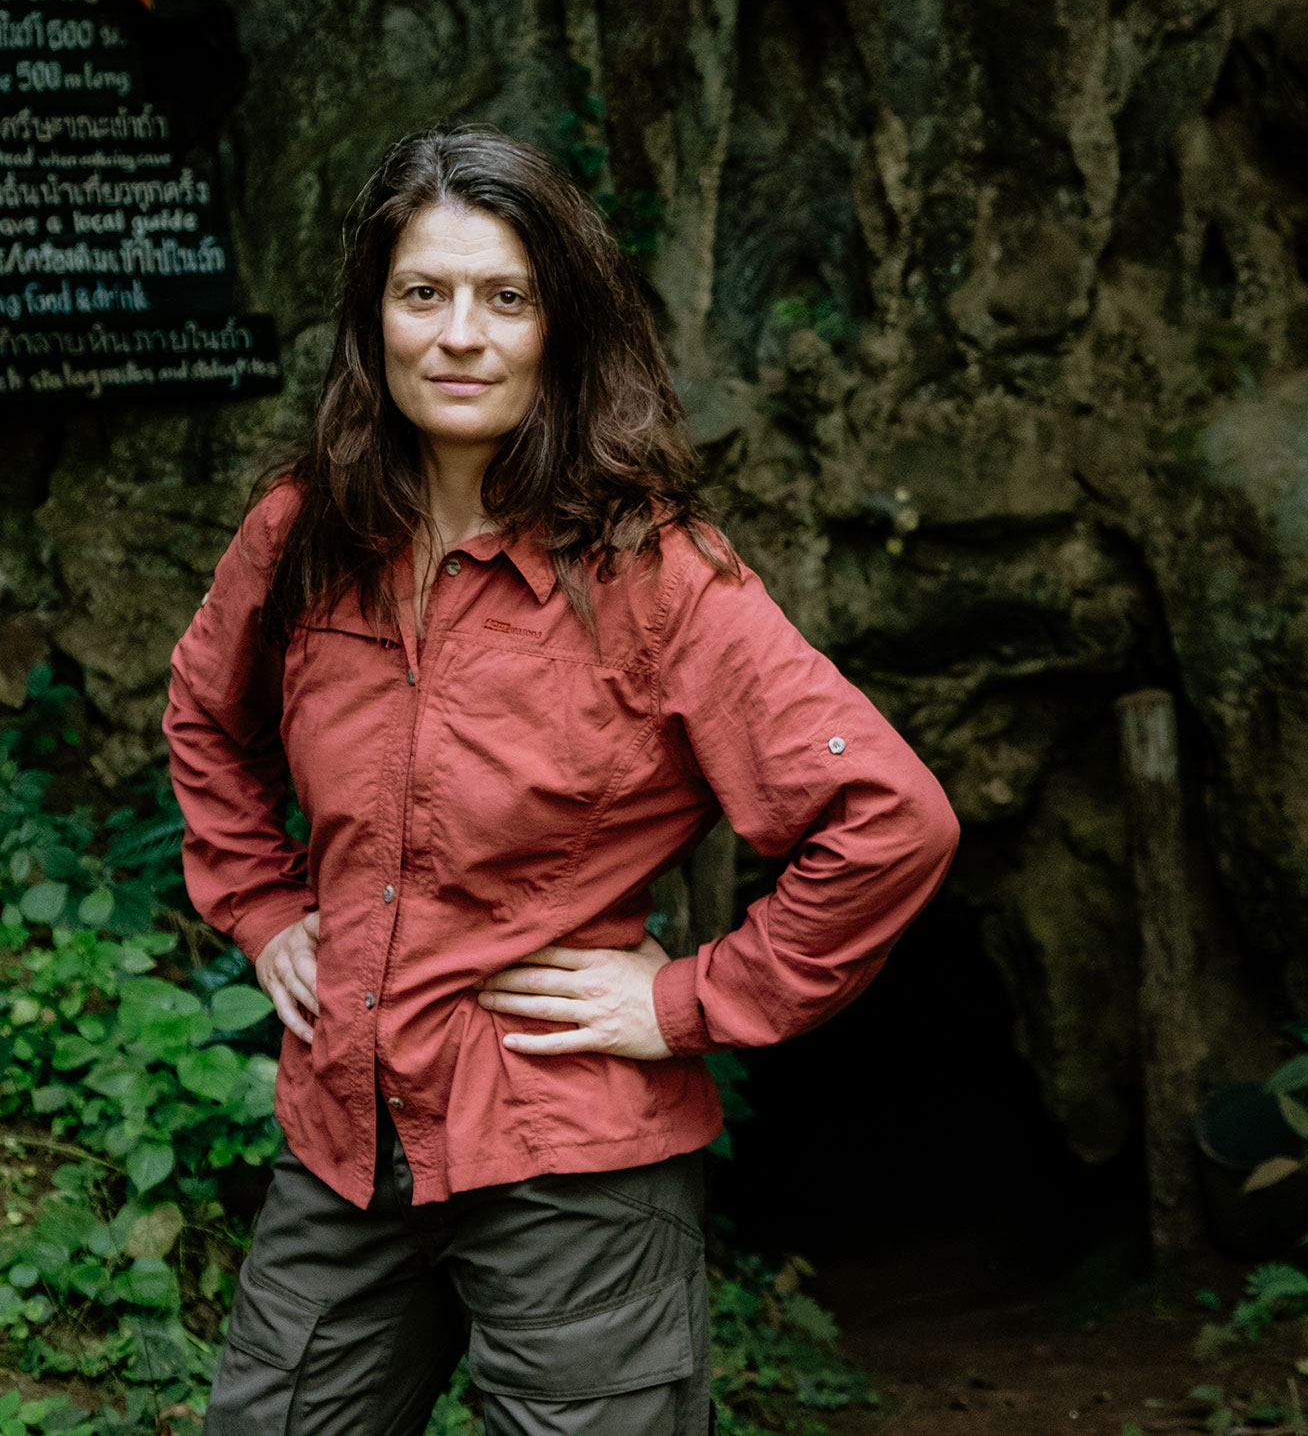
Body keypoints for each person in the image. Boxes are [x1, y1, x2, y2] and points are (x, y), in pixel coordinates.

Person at [163, 123, 961, 1436]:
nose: (459, 334)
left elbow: (888, 819)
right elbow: (205, 715)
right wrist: (258, 908)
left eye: (504, 297)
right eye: (423, 293)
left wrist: (691, 997)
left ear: (559, 326)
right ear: (376, 321)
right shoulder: (306, 534)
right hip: (345, 1141)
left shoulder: (659, 574)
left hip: (571, 1160)